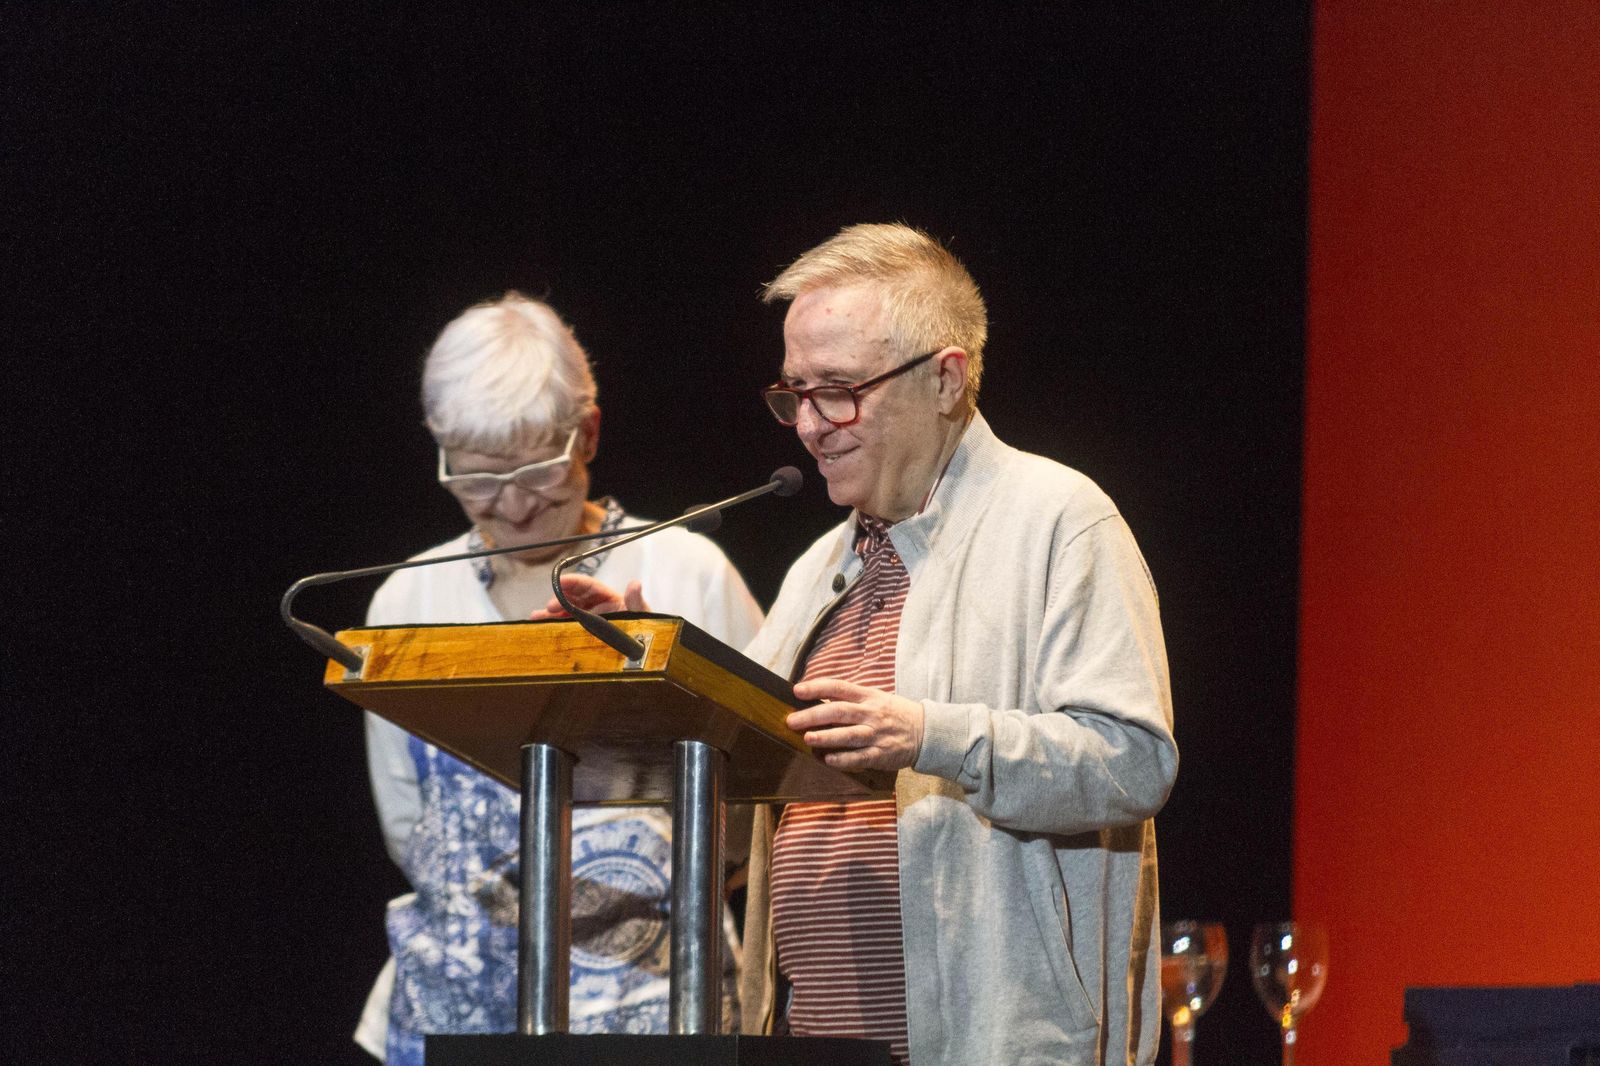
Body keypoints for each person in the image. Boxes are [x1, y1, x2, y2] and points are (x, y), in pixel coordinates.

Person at [556, 224, 1177, 1065]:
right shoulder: (821, 568)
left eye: (840, 391)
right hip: (809, 1045)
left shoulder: (1059, 522)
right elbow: (741, 821)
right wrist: (651, 674)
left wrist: (931, 735)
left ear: (946, 380)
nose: (810, 427)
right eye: (794, 394)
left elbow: (1132, 759)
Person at [353, 292, 763, 1065]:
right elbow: (408, 823)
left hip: (658, 1010)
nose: (510, 507)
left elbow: (760, 803)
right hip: (459, 1016)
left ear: (591, 433)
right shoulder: (408, 598)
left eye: (537, 472)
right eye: (477, 480)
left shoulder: (682, 570)